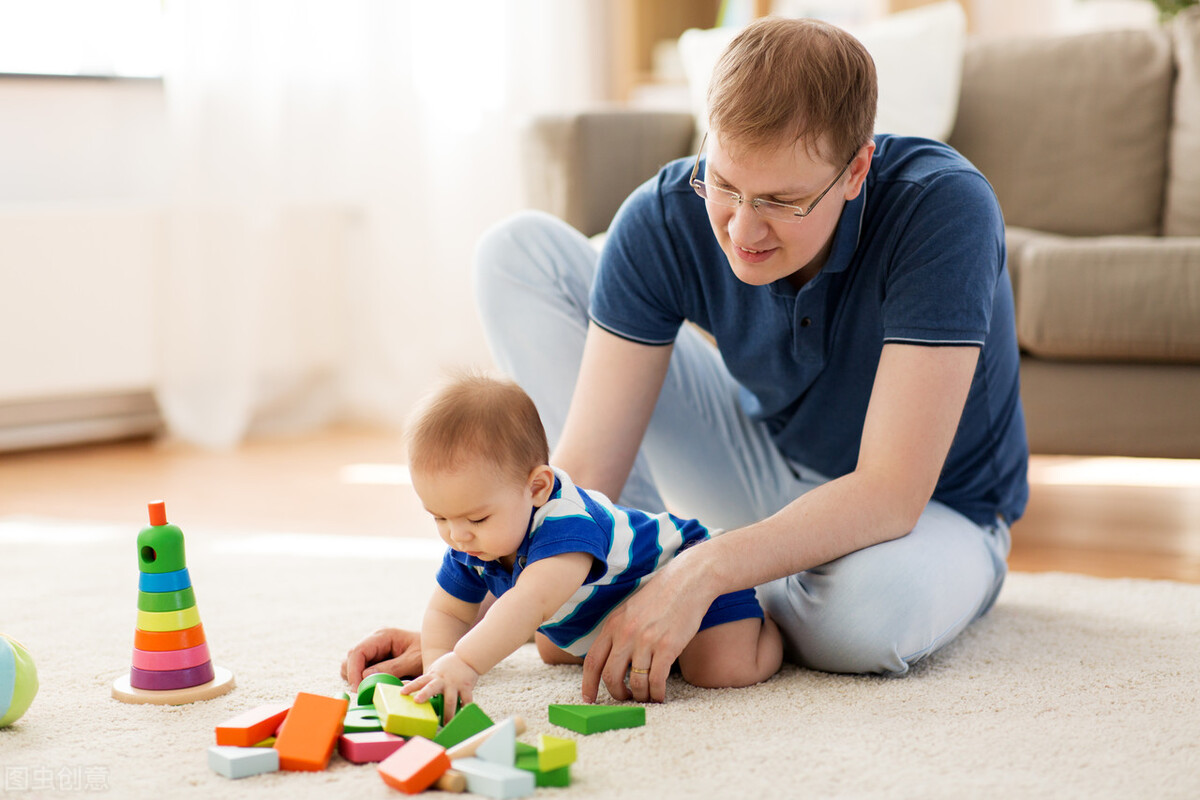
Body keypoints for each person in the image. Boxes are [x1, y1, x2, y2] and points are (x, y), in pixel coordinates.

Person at [343, 16, 1027, 705]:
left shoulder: (942, 209)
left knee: (861, 623)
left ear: (855, 171)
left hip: (933, 509)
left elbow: (890, 491)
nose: (742, 228)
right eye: (725, 184)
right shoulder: (668, 214)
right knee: (515, 252)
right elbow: (586, 487)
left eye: (782, 201)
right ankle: (661, 584)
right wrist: (469, 632)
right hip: (765, 469)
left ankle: (703, 590)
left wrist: (703, 571)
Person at [384, 373, 782, 719]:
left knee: (719, 669)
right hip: (612, 605)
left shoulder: (567, 525)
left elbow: (528, 603)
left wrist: (466, 663)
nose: (457, 536)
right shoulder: (470, 540)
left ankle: (776, 630)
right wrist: (438, 673)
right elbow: (448, 611)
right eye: (439, 517)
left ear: (537, 488)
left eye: (476, 519)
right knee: (552, 646)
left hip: (696, 577)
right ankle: (665, 652)